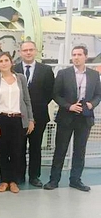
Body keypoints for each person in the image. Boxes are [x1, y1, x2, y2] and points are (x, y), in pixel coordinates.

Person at [45, 45, 101, 192]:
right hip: (66, 117)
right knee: (60, 149)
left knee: (80, 150)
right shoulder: (63, 74)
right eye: (74, 54)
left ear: (85, 56)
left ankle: (76, 180)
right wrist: (68, 106)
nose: (76, 57)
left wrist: (91, 104)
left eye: (79, 54)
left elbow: (98, 95)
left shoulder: (94, 75)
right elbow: (56, 94)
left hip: (85, 118)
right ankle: (53, 180)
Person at [0, 52, 34, 193]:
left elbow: (27, 100)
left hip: (18, 119)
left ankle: (13, 181)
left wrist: (30, 119)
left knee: (17, 151)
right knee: (3, 151)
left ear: (11, 62)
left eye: (6, 60)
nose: (4, 63)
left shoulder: (20, 78)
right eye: (0, 61)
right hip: (1, 118)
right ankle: (4, 181)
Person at [14, 40, 54, 187]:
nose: (28, 52)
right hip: (18, 116)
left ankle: (34, 176)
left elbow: (50, 92)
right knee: (20, 146)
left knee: (36, 147)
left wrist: (37, 106)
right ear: (20, 52)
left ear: (35, 51)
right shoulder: (14, 69)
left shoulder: (46, 70)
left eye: (31, 49)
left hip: (39, 115)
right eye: (25, 50)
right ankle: (19, 175)